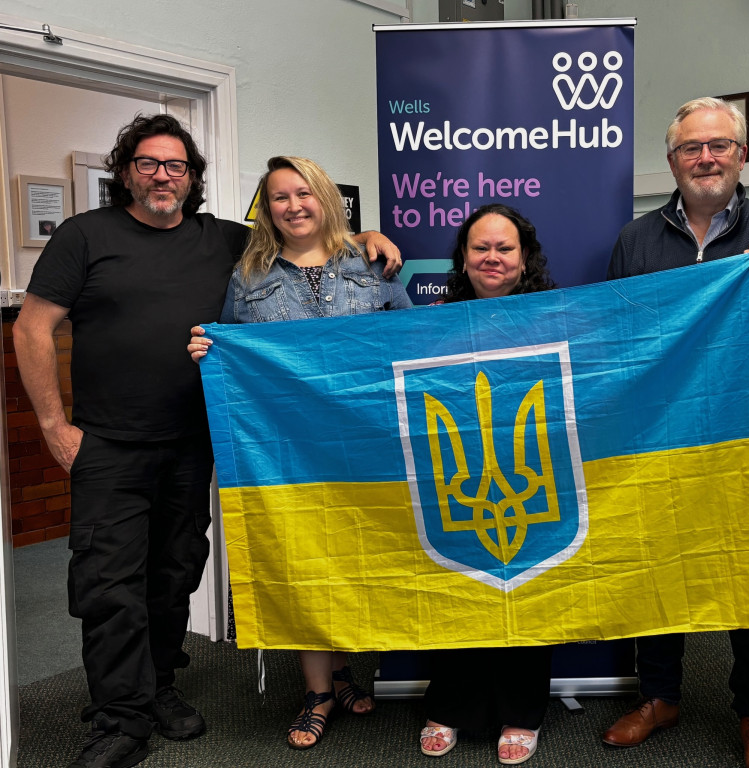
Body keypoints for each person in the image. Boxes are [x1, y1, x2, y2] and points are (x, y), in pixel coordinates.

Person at [11, 114, 399, 768]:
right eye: (148, 163)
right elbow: (30, 329)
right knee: (109, 585)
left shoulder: (226, 241)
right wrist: (54, 428)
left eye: (177, 166)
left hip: (195, 444)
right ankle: (118, 720)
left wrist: (365, 234)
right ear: (125, 171)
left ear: (193, 178)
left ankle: (157, 687)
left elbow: (303, 235)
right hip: (107, 445)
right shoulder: (85, 236)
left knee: (173, 576)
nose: (163, 175)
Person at [603, 97, 749, 768]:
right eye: (692, 148)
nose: (706, 157)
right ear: (672, 161)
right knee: (656, 565)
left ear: (742, 155)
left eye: (720, 145)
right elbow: (617, 340)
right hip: (658, 437)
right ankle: (660, 695)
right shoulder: (636, 240)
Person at [189, 155, 410, 750]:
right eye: (279, 197)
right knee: (306, 560)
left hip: (365, 443)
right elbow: (234, 350)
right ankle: (315, 690)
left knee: (353, 558)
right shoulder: (249, 276)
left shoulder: (371, 262)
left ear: (325, 199)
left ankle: (340, 674)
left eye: (303, 193)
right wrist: (210, 350)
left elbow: (408, 341)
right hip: (288, 447)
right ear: (268, 209)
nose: (293, 206)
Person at [417, 203, 556, 765]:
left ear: (524, 260)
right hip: (457, 482)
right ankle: (451, 703)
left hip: (537, 475)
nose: (492, 258)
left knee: (531, 590)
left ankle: (523, 712)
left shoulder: (555, 316)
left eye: (504, 248)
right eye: (481, 248)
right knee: (459, 590)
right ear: (463, 258)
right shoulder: (434, 323)